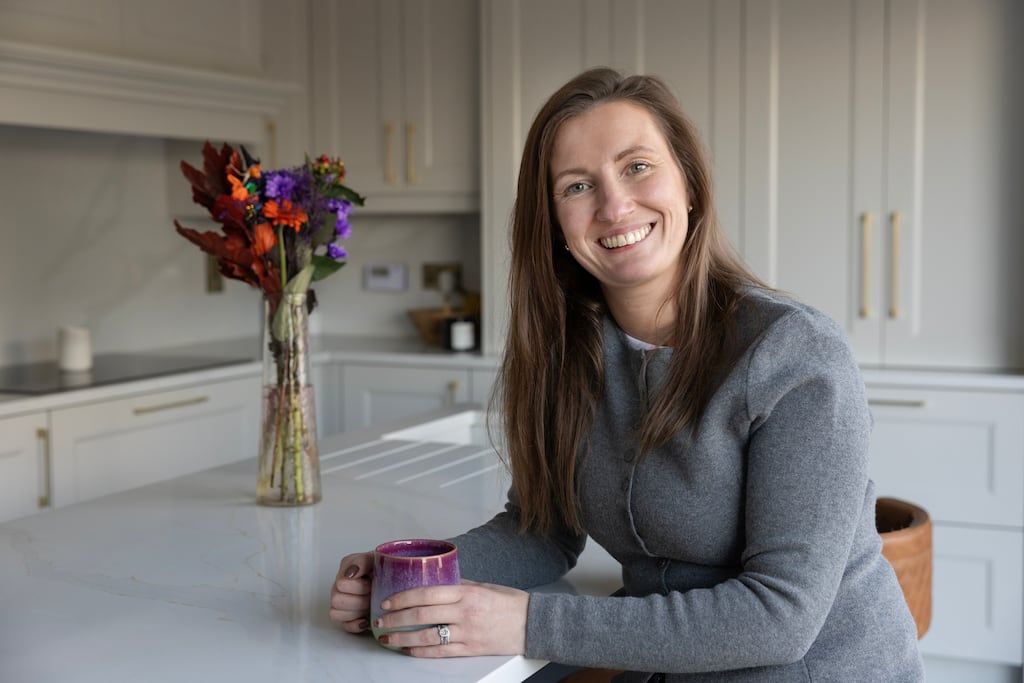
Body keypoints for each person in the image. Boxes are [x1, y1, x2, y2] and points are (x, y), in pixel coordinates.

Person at [329, 67, 925, 682]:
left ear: (689, 184)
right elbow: (542, 532)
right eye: (577, 186)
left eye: (637, 167)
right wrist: (416, 577)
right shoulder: (569, 353)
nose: (614, 206)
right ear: (555, 224)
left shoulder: (794, 355)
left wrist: (524, 622)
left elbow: (780, 619)